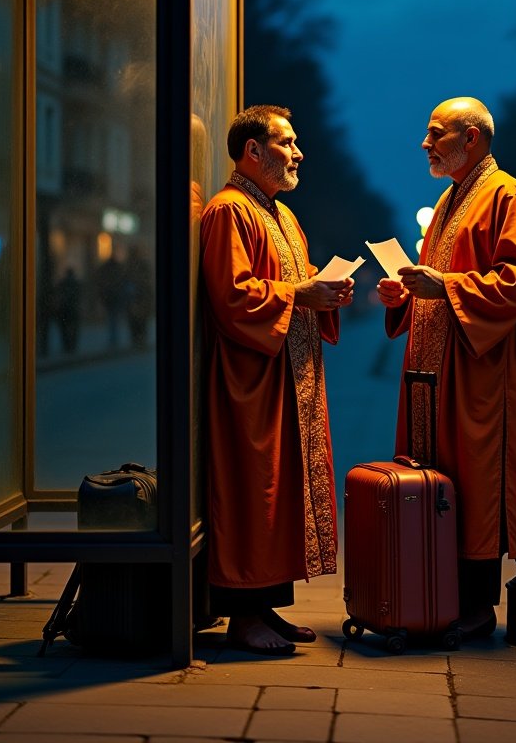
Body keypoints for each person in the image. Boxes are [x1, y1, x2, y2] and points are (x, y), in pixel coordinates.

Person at [376, 97, 516, 640]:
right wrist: (402, 293)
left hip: (474, 371)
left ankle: (476, 606)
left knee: (473, 478)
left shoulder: (504, 195)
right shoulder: (451, 200)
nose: (426, 143)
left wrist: (442, 286)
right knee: (436, 474)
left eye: (436, 133)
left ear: (472, 139)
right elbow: (436, 276)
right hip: (432, 370)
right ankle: (437, 593)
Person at [199, 104, 354, 655]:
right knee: (254, 490)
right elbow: (232, 296)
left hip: (290, 376)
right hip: (252, 380)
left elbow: (290, 283)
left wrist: (323, 293)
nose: (298, 152)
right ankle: (243, 615)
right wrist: (300, 295)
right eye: (287, 142)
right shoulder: (228, 211)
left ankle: (265, 605)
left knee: (280, 489)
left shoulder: (280, 214)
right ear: (253, 152)